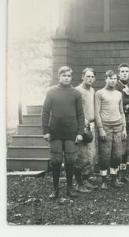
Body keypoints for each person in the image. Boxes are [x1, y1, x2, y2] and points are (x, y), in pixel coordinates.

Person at [42, 66, 84, 199]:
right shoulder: (51, 92)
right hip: (55, 132)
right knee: (56, 161)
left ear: (71, 77)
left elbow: (80, 114)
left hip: (71, 132)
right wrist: (46, 130)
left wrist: (80, 132)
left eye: (68, 76)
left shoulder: (76, 93)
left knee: (71, 160)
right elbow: (45, 112)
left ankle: (70, 188)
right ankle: (55, 190)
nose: (66, 78)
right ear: (59, 77)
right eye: (64, 75)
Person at [95, 70, 127, 189]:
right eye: (110, 78)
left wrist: (124, 128)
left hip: (118, 126)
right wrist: (101, 128)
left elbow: (122, 112)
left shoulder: (119, 93)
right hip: (106, 126)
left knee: (117, 155)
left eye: (114, 78)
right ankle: (104, 180)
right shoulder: (99, 93)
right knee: (105, 155)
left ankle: (114, 179)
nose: (113, 81)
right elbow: (97, 112)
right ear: (106, 79)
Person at [74, 68, 99, 193]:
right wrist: (82, 123)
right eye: (87, 76)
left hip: (92, 126)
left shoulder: (92, 90)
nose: (90, 79)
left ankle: (85, 179)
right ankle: (79, 183)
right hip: (81, 127)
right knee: (81, 156)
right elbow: (74, 109)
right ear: (82, 76)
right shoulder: (77, 91)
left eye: (92, 77)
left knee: (91, 156)